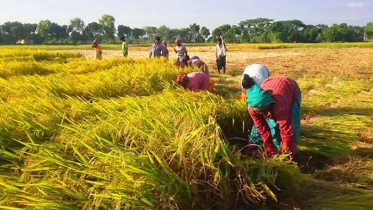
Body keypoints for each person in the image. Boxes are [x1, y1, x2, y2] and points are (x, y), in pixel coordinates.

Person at [242, 76, 301, 158]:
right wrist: (270, 150)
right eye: (260, 112)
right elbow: (263, 130)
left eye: (265, 109)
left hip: (289, 87)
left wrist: (285, 153)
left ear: (270, 103)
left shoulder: (279, 106)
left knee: (291, 123)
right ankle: (275, 147)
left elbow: (287, 131)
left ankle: (291, 153)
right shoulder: (252, 109)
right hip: (269, 82)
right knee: (270, 124)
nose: (263, 113)